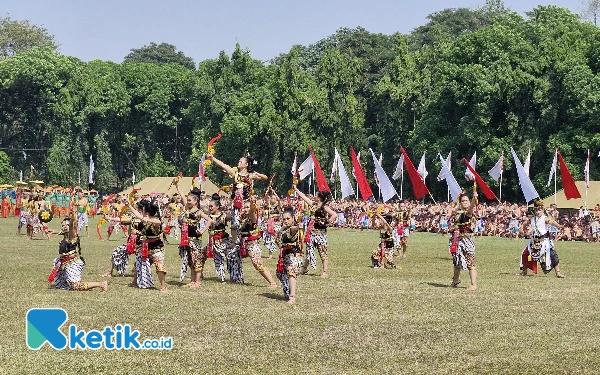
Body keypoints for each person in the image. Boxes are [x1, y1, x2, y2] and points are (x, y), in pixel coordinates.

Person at [207, 153, 267, 243]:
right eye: (238, 161)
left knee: (247, 223)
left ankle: (249, 239)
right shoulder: (234, 174)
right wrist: (213, 158)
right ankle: (234, 242)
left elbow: (265, 178)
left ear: (246, 164)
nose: (238, 162)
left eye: (240, 161)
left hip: (246, 204)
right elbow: (223, 165)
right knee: (234, 223)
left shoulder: (250, 176)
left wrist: (258, 174)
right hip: (235, 204)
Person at [48, 213, 107, 292]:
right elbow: (61, 231)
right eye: (63, 225)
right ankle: (66, 281)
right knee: (60, 285)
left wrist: (72, 219)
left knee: (76, 286)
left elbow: (71, 227)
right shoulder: (66, 234)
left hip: (72, 263)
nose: (65, 227)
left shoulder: (72, 235)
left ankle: (101, 284)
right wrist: (52, 231)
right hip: (63, 262)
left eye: (67, 225)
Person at [293, 186, 337, 278]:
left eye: (315, 195)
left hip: (320, 233)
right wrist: (296, 189)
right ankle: (304, 268)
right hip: (311, 232)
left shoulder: (324, 207)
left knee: (322, 252)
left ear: (319, 197)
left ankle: (325, 271)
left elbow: (334, 215)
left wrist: (326, 222)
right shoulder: (313, 204)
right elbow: (304, 197)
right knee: (309, 250)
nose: (314, 196)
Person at [126, 200, 167, 291]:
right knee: (138, 264)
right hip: (145, 246)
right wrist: (129, 205)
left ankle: (163, 286)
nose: (142, 211)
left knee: (159, 265)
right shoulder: (144, 219)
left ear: (147, 212)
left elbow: (159, 223)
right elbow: (137, 214)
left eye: (143, 210)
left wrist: (147, 219)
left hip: (156, 246)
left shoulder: (155, 220)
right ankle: (135, 282)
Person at [175, 182, 208, 288]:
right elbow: (182, 195)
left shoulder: (199, 212)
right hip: (186, 239)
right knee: (190, 260)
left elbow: (210, 220)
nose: (188, 202)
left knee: (196, 259)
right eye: (188, 200)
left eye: (190, 200)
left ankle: (197, 282)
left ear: (195, 201)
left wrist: (202, 231)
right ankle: (192, 281)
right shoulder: (187, 209)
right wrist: (177, 186)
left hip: (195, 239)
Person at [205, 193, 244, 284]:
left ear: (217, 206)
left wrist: (236, 208)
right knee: (215, 260)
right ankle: (220, 277)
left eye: (212, 206)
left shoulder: (223, 216)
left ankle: (234, 277)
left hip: (223, 241)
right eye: (209, 206)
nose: (210, 208)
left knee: (232, 257)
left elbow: (234, 218)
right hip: (213, 242)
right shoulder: (208, 215)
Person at [519, 202, 565, 278]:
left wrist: (559, 226)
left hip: (544, 241)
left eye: (539, 210)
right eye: (536, 210)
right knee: (525, 254)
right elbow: (525, 223)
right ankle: (524, 272)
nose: (538, 212)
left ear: (542, 210)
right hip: (534, 241)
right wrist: (521, 228)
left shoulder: (545, 218)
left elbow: (552, 222)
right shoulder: (532, 219)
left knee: (553, 255)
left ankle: (558, 273)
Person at [239, 199, 277, 287]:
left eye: (247, 207)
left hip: (252, 245)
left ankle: (272, 283)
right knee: (233, 257)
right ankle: (236, 278)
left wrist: (252, 205)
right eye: (244, 207)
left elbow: (252, 211)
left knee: (258, 264)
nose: (245, 209)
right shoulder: (244, 218)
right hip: (243, 245)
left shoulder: (253, 217)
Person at [449, 192, 478, 291]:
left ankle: (473, 284)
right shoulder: (457, 212)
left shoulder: (468, 213)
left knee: (470, 262)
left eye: (466, 201)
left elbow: (470, 209)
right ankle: (455, 280)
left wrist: (474, 199)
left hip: (467, 239)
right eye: (463, 201)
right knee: (456, 261)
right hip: (457, 239)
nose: (465, 202)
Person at [275, 207, 304, 304]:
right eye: (284, 219)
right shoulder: (284, 229)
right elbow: (279, 234)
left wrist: (299, 226)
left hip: (293, 256)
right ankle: (288, 291)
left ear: (293, 218)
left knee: (291, 273)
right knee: (280, 274)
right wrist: (282, 228)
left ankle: (292, 296)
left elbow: (294, 229)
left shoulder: (293, 228)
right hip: (285, 256)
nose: (286, 221)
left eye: (288, 219)